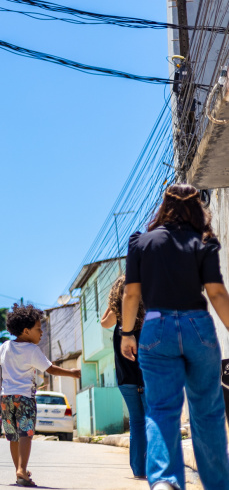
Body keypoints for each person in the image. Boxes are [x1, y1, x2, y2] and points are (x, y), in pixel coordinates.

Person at [121, 184, 229, 490]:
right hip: (198, 326)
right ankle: (219, 484)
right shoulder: (203, 241)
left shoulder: (140, 242)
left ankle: (165, 481)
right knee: (207, 409)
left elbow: (131, 294)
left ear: (164, 206)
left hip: (156, 329)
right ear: (197, 206)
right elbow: (217, 293)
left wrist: (128, 333)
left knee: (162, 409)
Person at [0, 302, 80, 487]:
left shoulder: (6, 346)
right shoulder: (32, 350)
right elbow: (51, 369)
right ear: (25, 330)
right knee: (26, 434)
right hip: (24, 398)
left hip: (6, 399)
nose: (41, 333)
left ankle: (19, 471)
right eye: (38, 329)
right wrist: (72, 372)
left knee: (13, 436)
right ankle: (22, 469)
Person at [100, 275, 147, 480]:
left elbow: (103, 322)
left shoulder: (117, 319)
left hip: (125, 378)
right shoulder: (147, 314)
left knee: (137, 422)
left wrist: (113, 303)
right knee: (152, 419)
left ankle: (139, 470)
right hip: (148, 376)